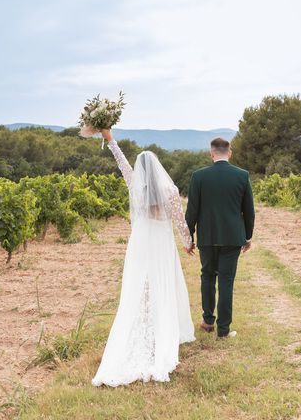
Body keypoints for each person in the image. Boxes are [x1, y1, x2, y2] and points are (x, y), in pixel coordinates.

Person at [92, 129, 195, 387]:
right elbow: (180, 221)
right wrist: (188, 242)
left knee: (140, 286)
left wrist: (110, 139)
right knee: (162, 284)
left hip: (140, 244)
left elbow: (121, 162)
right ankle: (161, 334)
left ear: (141, 169)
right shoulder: (169, 189)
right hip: (161, 243)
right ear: (158, 167)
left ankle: (144, 331)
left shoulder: (134, 184)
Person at [185, 137, 255, 339]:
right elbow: (249, 211)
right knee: (226, 281)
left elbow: (192, 212)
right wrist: (247, 236)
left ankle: (208, 321)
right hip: (233, 237)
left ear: (211, 153)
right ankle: (223, 330)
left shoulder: (199, 176)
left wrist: (188, 238)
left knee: (207, 277)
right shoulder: (242, 176)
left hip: (206, 237)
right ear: (229, 153)